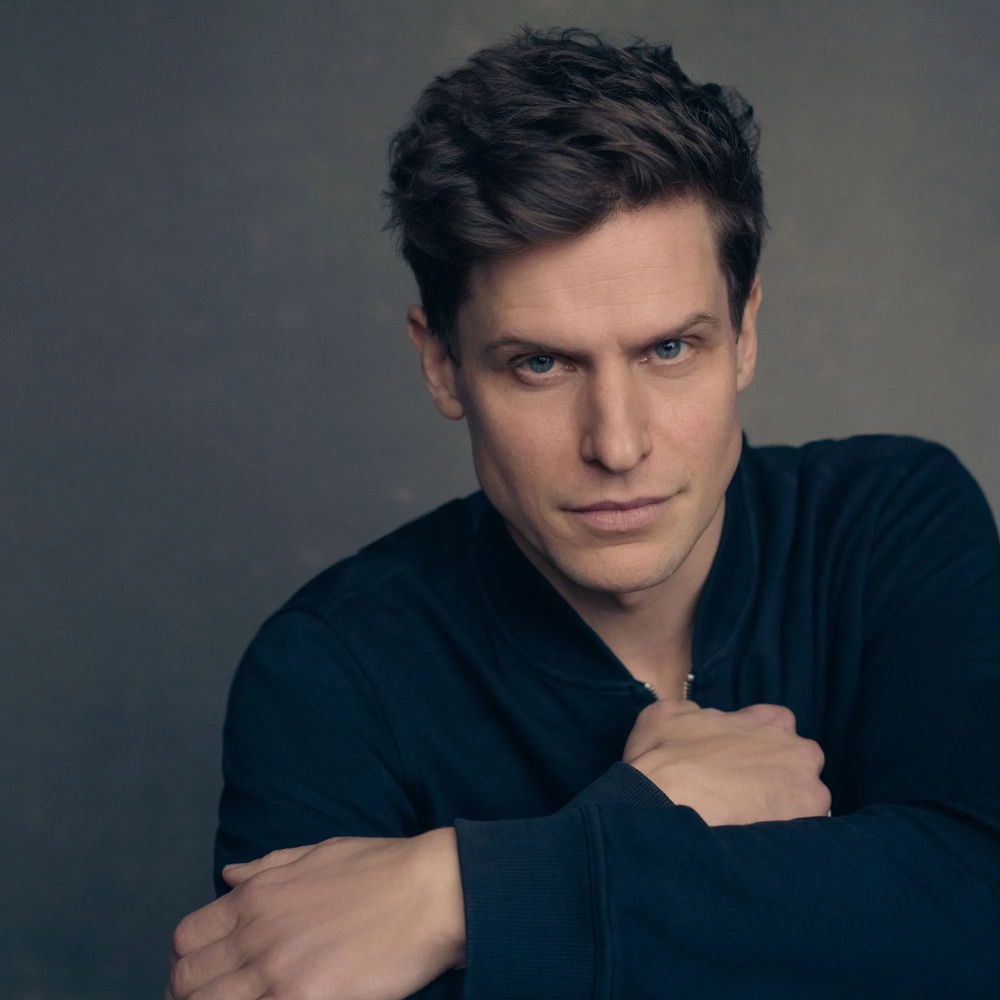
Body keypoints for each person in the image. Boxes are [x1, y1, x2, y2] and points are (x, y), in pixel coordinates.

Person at [165, 26, 1000, 1000]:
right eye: (541, 363)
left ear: (743, 336)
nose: (617, 442)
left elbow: (976, 909)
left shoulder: (889, 522)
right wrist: (647, 811)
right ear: (442, 364)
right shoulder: (327, 674)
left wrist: (453, 892)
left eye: (668, 350)